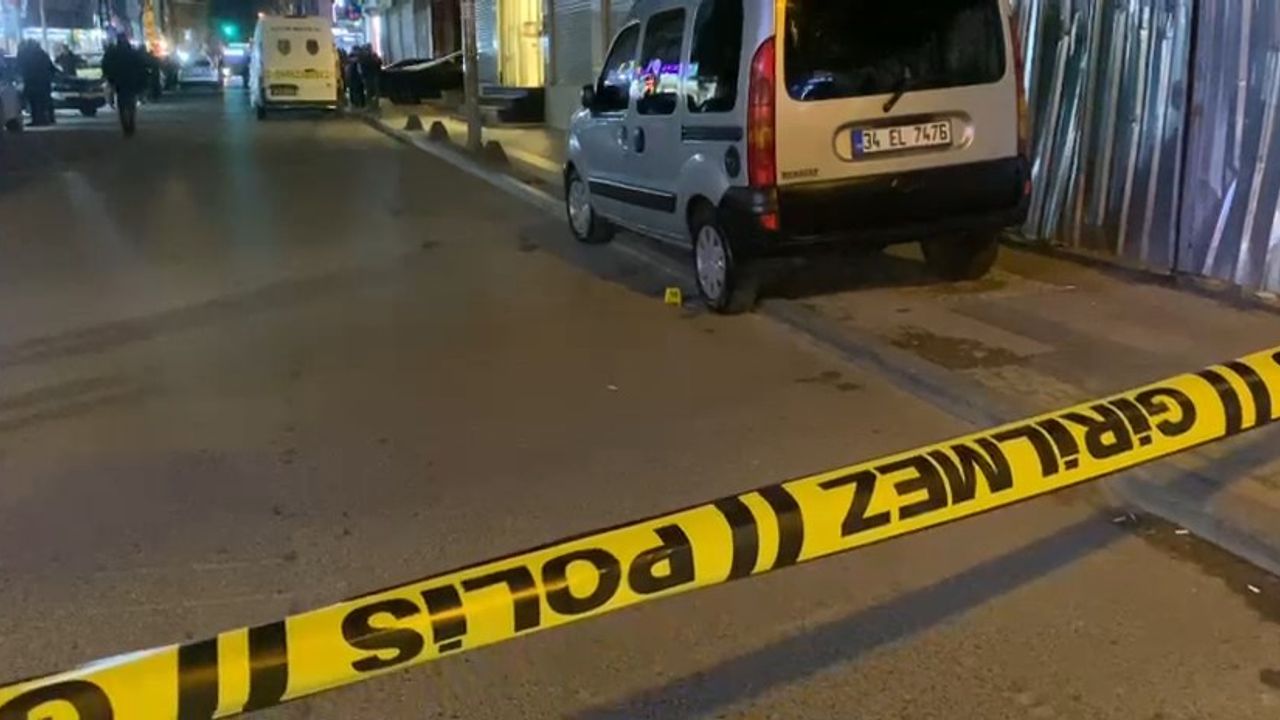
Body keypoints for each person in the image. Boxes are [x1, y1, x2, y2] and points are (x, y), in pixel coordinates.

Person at [102, 34, 145, 137]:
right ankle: (131, 124)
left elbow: (106, 65)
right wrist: (141, 81)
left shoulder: (113, 53)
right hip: (131, 81)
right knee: (131, 104)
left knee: (122, 105)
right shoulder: (132, 52)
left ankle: (126, 127)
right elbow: (141, 66)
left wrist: (110, 78)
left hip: (119, 82)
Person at [17, 40, 56, 126]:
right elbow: (52, 68)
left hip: (32, 82)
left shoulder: (27, 55)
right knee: (45, 101)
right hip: (44, 82)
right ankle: (48, 118)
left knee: (34, 102)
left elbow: (21, 68)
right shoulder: (43, 54)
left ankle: (38, 119)